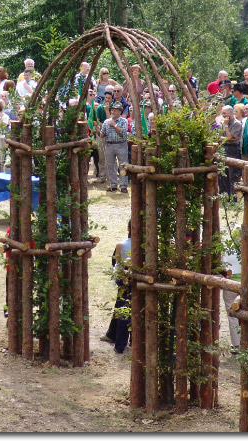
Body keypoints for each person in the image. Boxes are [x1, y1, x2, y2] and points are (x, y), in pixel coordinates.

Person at [100, 220, 132, 354]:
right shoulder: (149, 245)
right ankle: (112, 335)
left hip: (124, 279)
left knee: (123, 309)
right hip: (142, 278)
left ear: (128, 228)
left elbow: (115, 262)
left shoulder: (121, 244)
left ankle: (120, 345)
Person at [100, 101, 129, 193]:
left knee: (123, 165)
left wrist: (114, 125)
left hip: (121, 145)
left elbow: (123, 132)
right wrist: (98, 130)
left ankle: (123, 185)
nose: (113, 112)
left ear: (120, 112)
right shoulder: (106, 121)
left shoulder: (123, 121)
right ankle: (113, 185)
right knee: (110, 166)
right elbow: (102, 134)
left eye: (115, 110)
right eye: (112, 110)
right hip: (109, 145)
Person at [220, 105, 242, 199]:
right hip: (224, 148)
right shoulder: (223, 123)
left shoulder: (237, 124)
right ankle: (227, 196)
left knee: (232, 175)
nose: (223, 115)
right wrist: (226, 138)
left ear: (230, 113)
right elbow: (220, 137)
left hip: (233, 150)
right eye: (222, 113)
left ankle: (233, 198)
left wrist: (225, 126)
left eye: (224, 113)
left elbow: (230, 137)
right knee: (224, 174)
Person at [222, 251, 242, 353]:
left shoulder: (226, 250)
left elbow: (222, 268)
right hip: (246, 283)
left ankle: (236, 344)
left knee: (232, 316)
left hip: (230, 284)